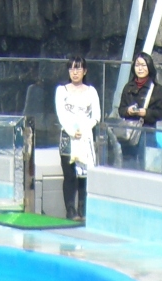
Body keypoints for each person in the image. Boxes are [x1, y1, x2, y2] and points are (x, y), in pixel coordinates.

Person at [55, 54, 100, 221]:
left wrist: (84, 129)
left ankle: (83, 210)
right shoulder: (62, 91)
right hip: (68, 138)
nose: (75, 72)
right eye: (72, 68)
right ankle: (70, 210)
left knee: (84, 175)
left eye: (78, 68)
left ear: (85, 71)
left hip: (85, 138)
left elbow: (96, 116)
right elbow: (61, 114)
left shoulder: (91, 91)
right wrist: (72, 131)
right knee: (69, 175)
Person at [116, 52, 162, 169]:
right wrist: (128, 111)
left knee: (146, 165)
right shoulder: (128, 87)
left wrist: (146, 113)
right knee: (128, 165)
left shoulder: (157, 89)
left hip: (147, 132)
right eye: (137, 65)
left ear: (149, 67)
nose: (140, 68)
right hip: (129, 133)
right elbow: (121, 110)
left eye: (143, 65)